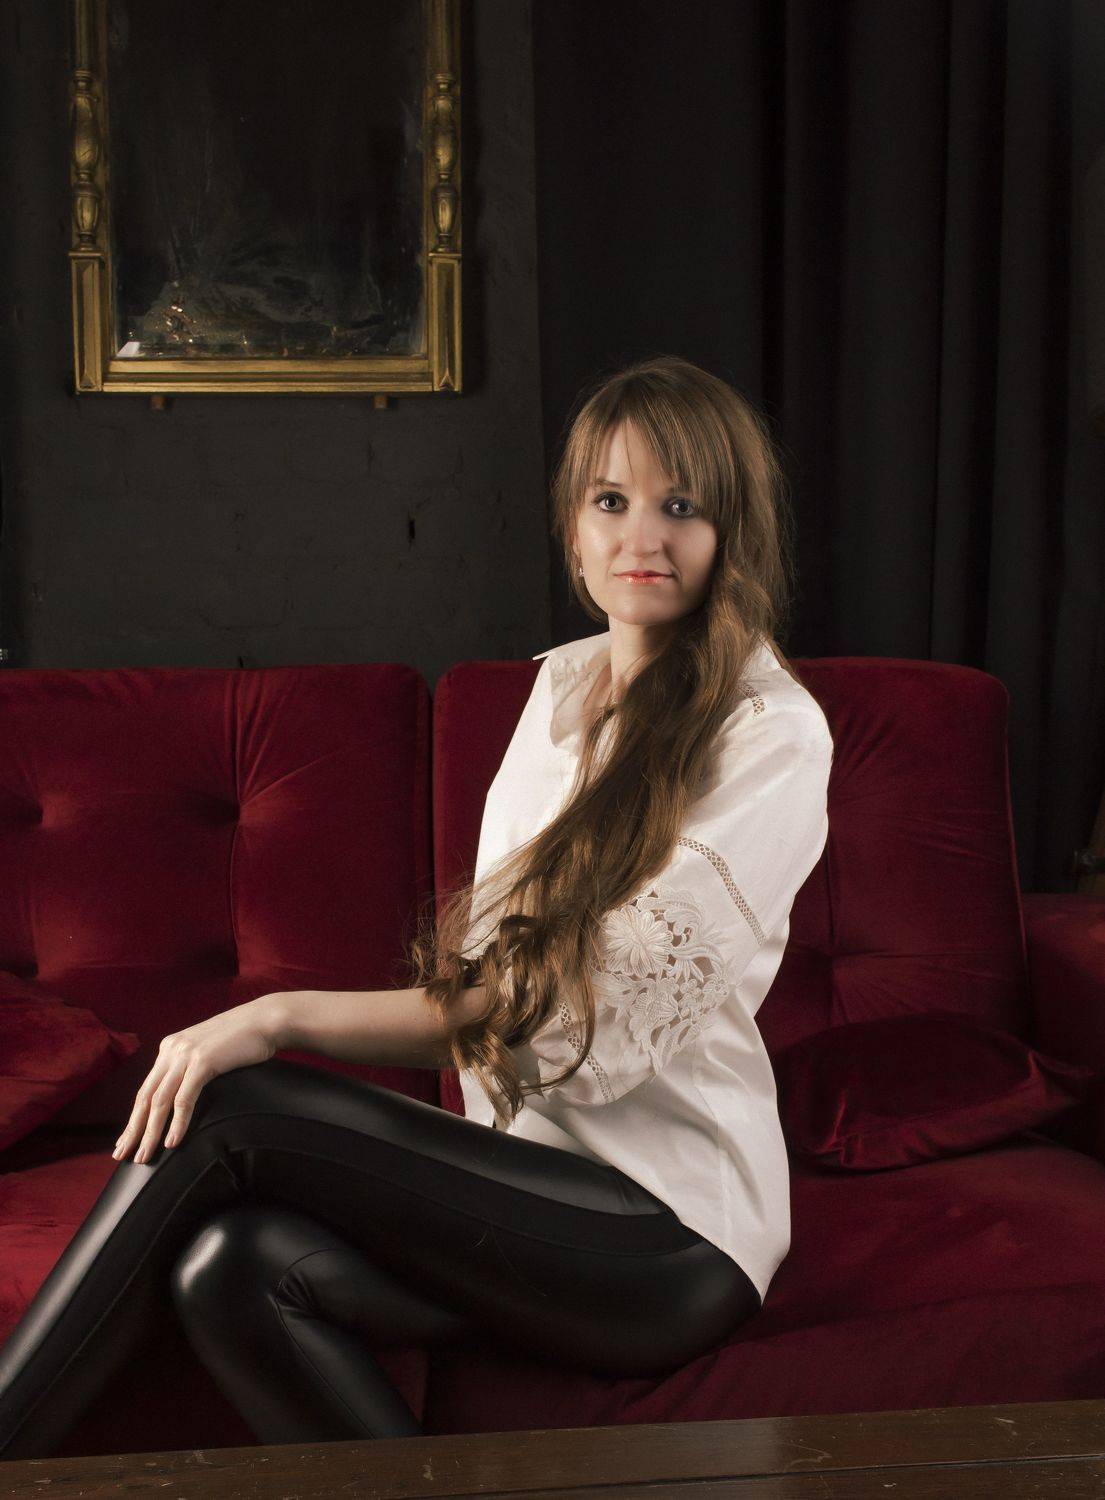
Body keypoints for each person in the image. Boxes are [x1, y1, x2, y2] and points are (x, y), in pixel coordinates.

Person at [0, 354, 832, 1460]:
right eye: (611, 500)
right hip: (534, 1184)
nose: (642, 537)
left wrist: (275, 1015)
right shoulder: (559, 692)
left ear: (732, 529)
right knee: (232, 1270)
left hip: (670, 1231)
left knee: (234, 1101)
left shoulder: (769, 730)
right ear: (572, 528)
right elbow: (494, 976)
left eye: (681, 506)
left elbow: (543, 1010)